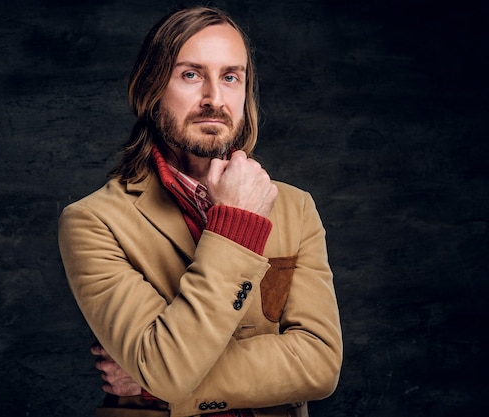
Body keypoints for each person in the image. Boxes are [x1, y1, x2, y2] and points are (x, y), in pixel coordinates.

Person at [58, 6, 342, 417]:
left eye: (231, 77)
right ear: (151, 87)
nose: (215, 99)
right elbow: (169, 369)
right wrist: (237, 227)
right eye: (191, 74)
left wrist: (156, 385)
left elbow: (320, 366)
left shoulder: (296, 207)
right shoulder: (93, 221)